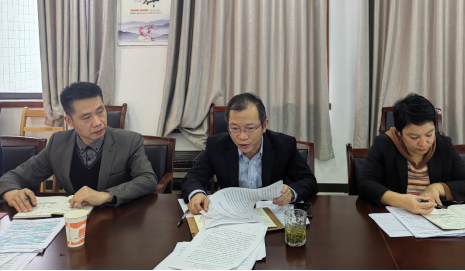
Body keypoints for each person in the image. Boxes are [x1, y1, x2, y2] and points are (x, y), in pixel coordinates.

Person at [0, 82, 158, 213]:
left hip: (118, 219)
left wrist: (107, 195)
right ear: (70, 121)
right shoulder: (58, 143)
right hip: (75, 221)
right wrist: (10, 192)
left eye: (100, 111)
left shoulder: (129, 141)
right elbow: (13, 177)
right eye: (86, 117)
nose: (98, 122)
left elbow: (148, 179)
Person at [182, 93, 318, 215]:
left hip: (272, 215)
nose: (242, 137)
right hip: (233, 216)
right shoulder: (217, 145)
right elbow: (192, 178)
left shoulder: (284, 145)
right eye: (234, 128)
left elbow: (309, 181)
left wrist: (291, 193)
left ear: (264, 125)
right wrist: (197, 193)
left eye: (250, 128)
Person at [358, 93, 465, 215]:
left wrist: (438, 188)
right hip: (396, 217)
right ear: (399, 132)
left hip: (434, 217)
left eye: (429, 134)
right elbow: (365, 184)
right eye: (414, 137)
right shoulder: (384, 144)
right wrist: (401, 200)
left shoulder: (444, 146)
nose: (423, 143)